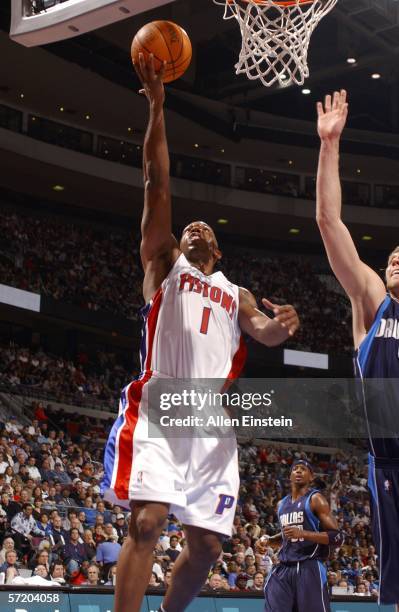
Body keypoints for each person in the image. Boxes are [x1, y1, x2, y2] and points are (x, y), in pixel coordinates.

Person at [101, 53, 300, 612]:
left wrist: (282, 326)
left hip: (210, 417)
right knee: (147, 521)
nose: (195, 227)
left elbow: (262, 332)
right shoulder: (164, 263)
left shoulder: (237, 293)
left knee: (209, 548)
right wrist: (158, 109)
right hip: (163, 399)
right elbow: (155, 184)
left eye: (205, 228)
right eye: (190, 225)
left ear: (218, 249)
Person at [316, 89, 399, 609]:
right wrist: (329, 146)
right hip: (390, 463)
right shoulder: (373, 302)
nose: (395, 260)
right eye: (392, 256)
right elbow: (330, 223)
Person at [263, 460, 344, 611]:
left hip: (309, 566)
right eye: (295, 469)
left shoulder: (316, 499)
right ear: (290, 476)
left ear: (311, 477)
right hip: (283, 567)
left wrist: (304, 534)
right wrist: (268, 541)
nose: (299, 471)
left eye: (303, 469)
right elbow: (287, 536)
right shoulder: (281, 504)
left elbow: (337, 538)